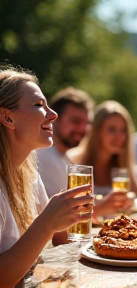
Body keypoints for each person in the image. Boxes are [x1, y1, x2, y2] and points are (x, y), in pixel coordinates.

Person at [0, 66, 93, 287]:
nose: (53, 115)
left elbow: (58, 241)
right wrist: (47, 224)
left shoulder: (29, 175)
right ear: (7, 117)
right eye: (39, 105)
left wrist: (67, 218)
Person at [68, 100, 137, 198]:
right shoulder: (72, 161)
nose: (119, 136)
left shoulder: (124, 165)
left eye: (123, 130)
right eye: (111, 129)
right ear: (97, 131)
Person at [36, 86, 95, 198]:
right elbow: (68, 209)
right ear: (54, 119)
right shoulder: (44, 155)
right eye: (76, 121)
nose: (83, 128)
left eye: (88, 123)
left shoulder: (63, 156)